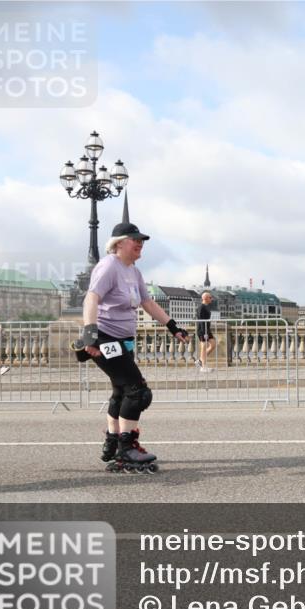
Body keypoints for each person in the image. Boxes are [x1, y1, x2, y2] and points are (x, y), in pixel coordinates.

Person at [72, 202, 188, 473]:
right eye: (136, 240)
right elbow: (92, 297)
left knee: (121, 390)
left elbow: (147, 303)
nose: (140, 244)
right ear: (119, 243)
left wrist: (173, 326)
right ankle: (127, 447)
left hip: (123, 340)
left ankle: (113, 440)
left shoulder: (133, 271)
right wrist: (89, 334)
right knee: (137, 391)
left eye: (142, 240)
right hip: (105, 337)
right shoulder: (109, 266)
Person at [196, 291, 216, 372]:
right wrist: (204, 333)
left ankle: (200, 360)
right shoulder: (201, 307)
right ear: (205, 298)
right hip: (202, 330)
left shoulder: (207, 307)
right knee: (203, 347)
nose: (211, 299)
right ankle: (203, 367)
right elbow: (201, 321)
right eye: (210, 297)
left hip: (207, 329)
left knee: (213, 344)